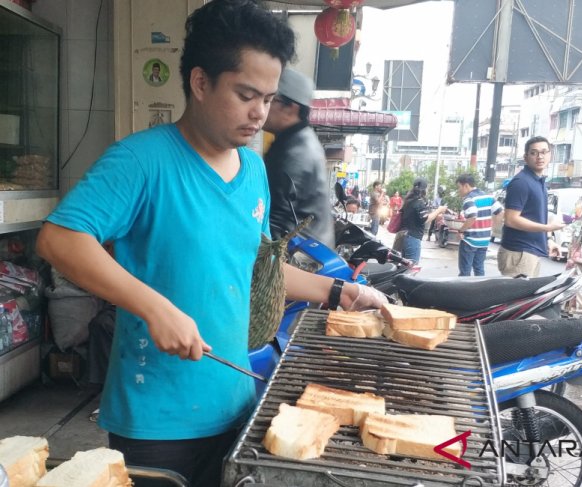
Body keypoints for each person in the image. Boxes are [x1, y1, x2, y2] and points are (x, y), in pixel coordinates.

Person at [34, 2, 385, 486]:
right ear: (200, 83)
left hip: (237, 399)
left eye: (267, 97)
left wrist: (336, 291)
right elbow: (60, 239)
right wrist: (155, 308)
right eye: (245, 95)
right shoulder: (141, 160)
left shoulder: (254, 168)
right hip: (159, 419)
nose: (259, 113)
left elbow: (255, 266)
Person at [263, 67, 335, 248]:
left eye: (271, 100)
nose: (263, 107)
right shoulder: (298, 141)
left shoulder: (296, 153)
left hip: (302, 258)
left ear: (291, 108)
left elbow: (278, 221)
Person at [498, 136, 564, 277]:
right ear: (526, 157)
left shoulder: (539, 181)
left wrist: (548, 240)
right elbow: (511, 219)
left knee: (528, 298)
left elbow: (535, 216)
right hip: (519, 253)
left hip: (530, 253)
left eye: (544, 152)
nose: (540, 157)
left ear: (550, 155)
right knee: (517, 298)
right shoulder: (521, 182)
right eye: (534, 153)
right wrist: (548, 228)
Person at [455, 174, 498, 277]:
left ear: (466, 186)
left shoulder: (469, 199)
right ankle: (480, 291)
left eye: (459, 187)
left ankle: (464, 292)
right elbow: (500, 212)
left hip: (470, 241)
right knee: (479, 269)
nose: (459, 190)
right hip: (484, 240)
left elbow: (472, 217)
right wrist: (492, 229)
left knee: (465, 271)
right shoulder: (488, 197)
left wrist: (461, 231)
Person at [401, 178, 447, 263]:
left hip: (404, 236)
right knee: (412, 268)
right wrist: (439, 210)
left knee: (404, 267)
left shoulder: (408, 200)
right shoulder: (419, 202)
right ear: (424, 189)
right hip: (413, 238)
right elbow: (425, 219)